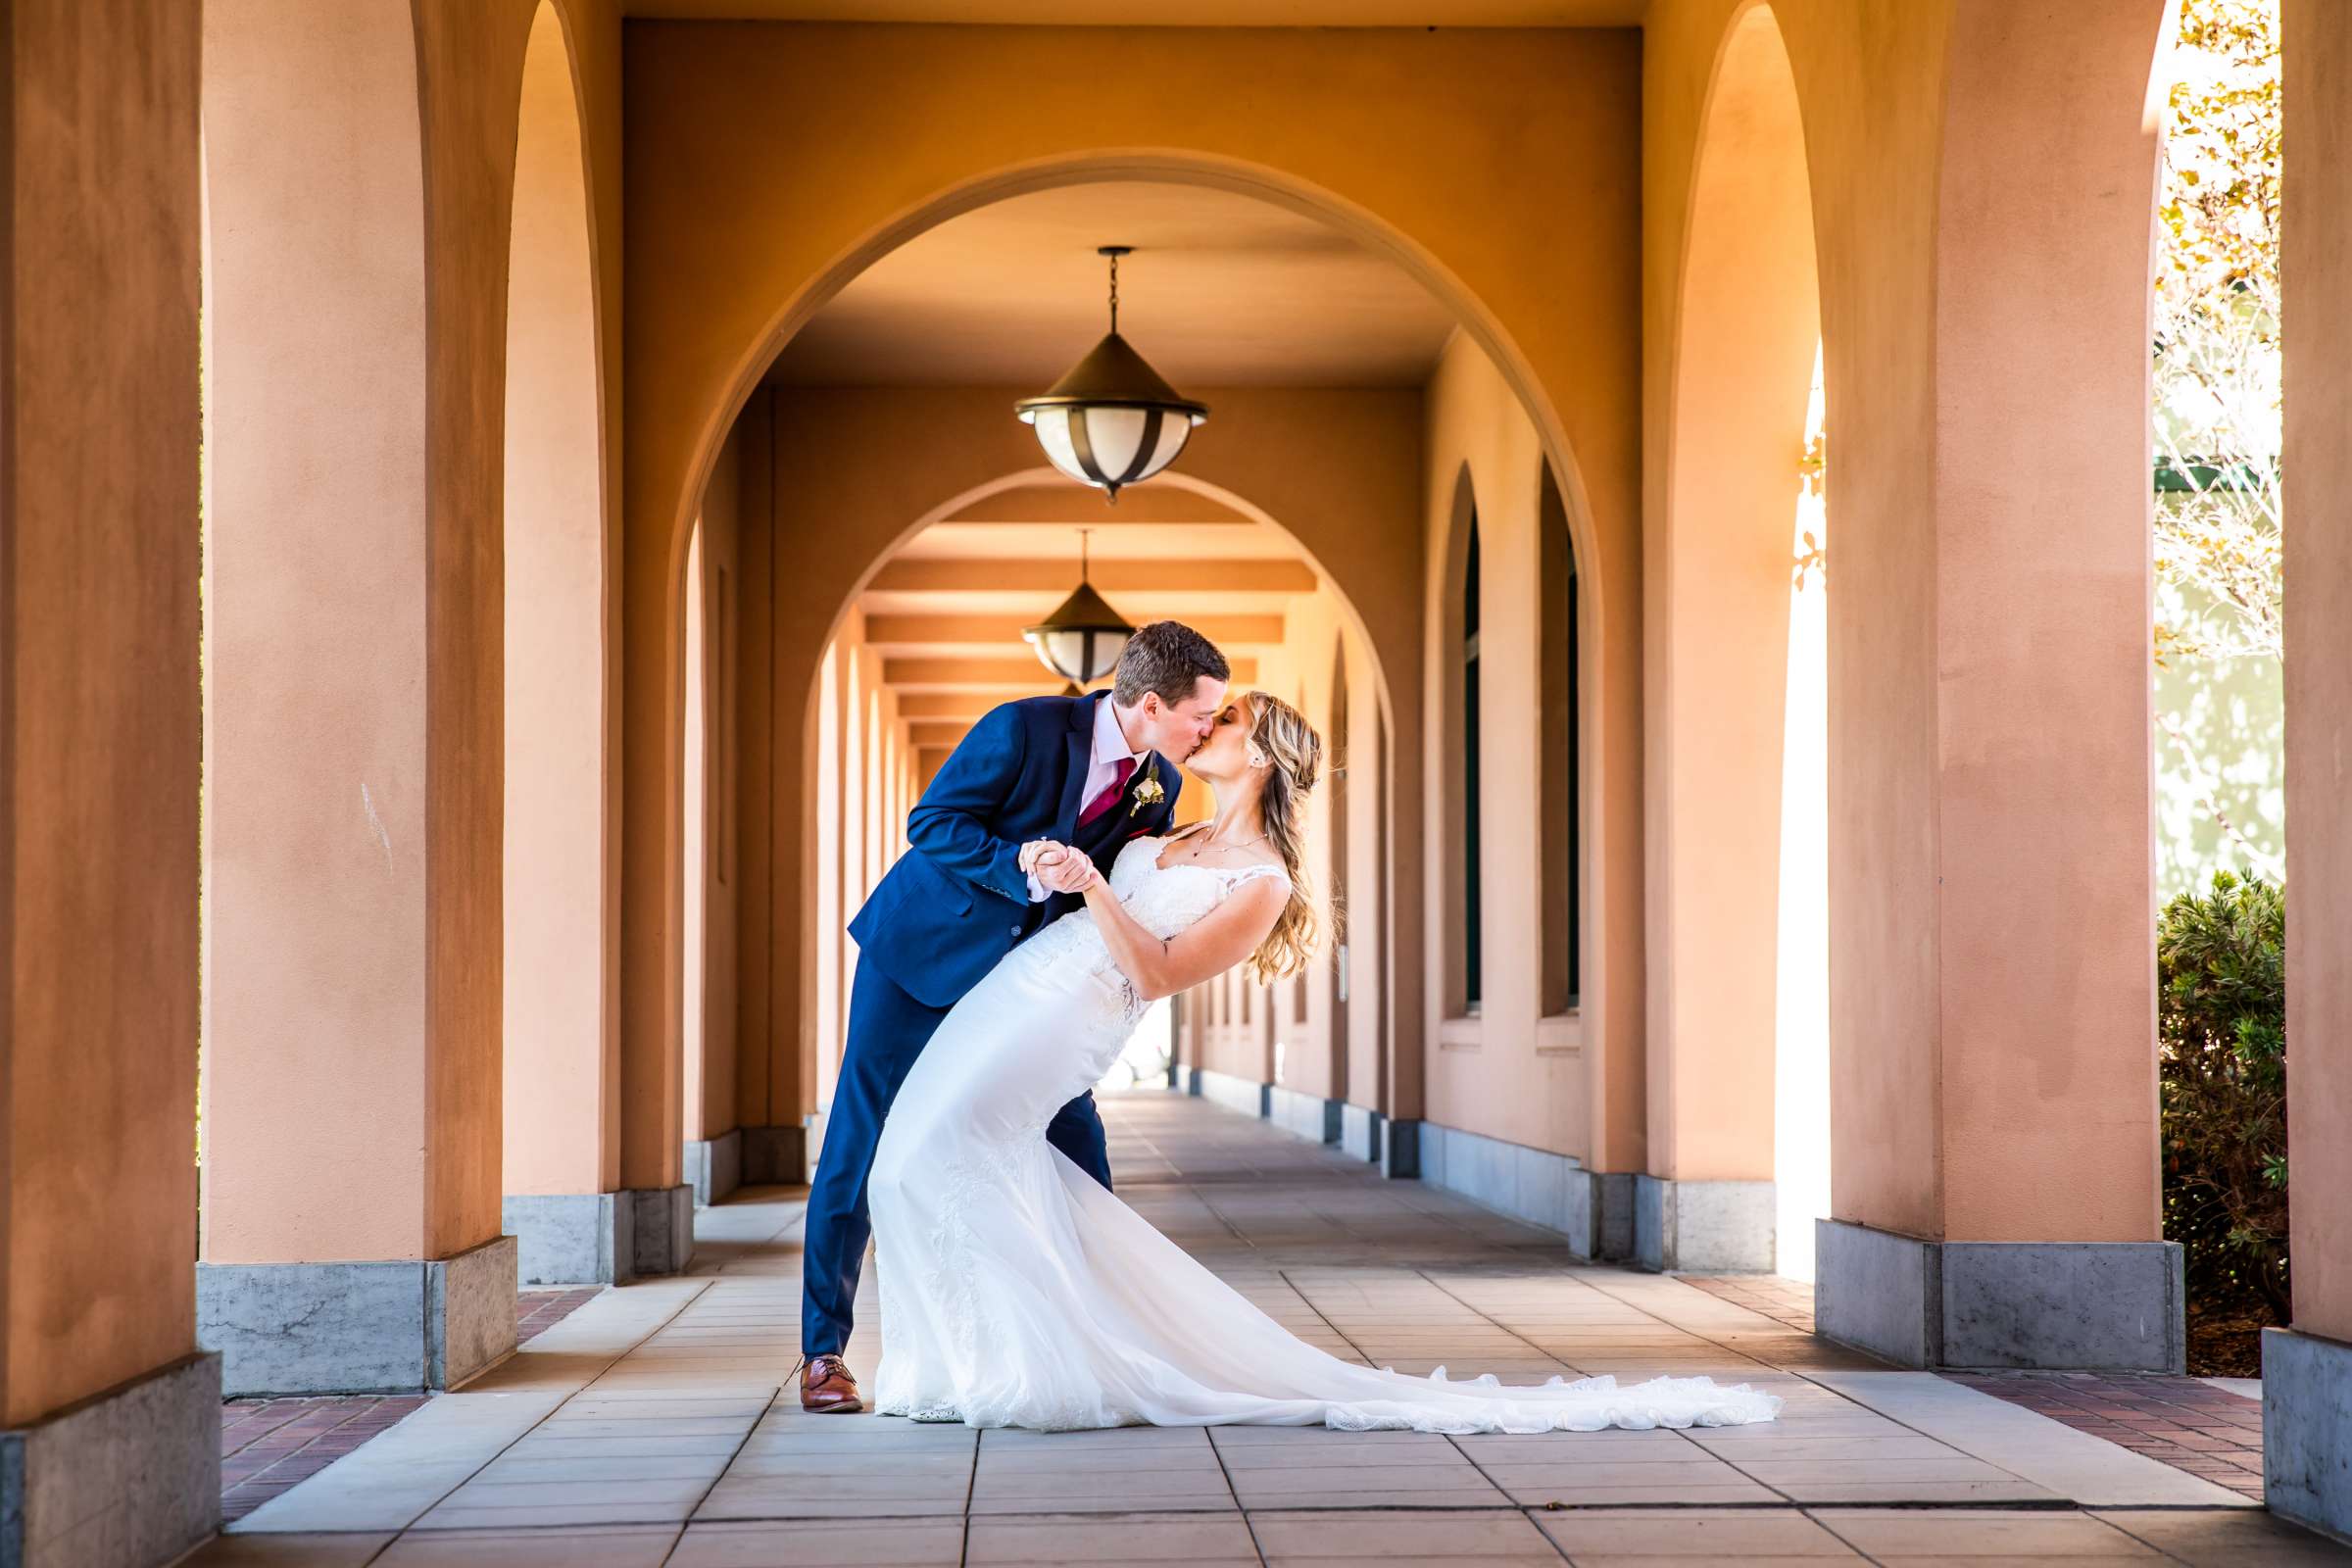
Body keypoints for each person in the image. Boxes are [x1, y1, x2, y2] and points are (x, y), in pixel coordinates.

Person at [863, 692, 1783, 1434]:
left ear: (1259, 756)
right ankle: (977, 1358)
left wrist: (1097, 884)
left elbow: (1159, 970)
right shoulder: (1174, 831)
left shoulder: (1263, 882)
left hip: (1066, 1022)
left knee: (922, 1160)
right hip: (1018, 990)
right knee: (928, 1158)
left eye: (1227, 722)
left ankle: (1028, 1367)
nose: (1205, 725)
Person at [798, 620, 1230, 1414]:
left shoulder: (1161, 787)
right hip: (919, 960)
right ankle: (823, 1352)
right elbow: (931, 823)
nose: (1209, 730)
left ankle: (1107, 1331)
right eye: (1201, 715)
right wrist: (1020, 861)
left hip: (1023, 993)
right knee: (863, 1139)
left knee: (1075, 1139)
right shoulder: (1023, 728)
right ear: (1148, 702)